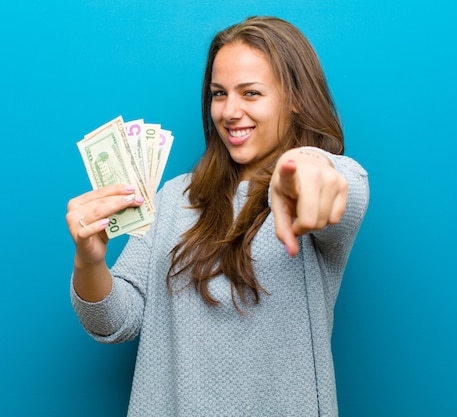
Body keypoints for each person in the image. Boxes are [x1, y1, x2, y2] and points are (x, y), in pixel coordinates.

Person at [66, 16, 369, 417]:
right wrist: (88, 260)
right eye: (219, 93)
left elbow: (340, 187)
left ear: (295, 99)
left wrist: (306, 164)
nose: (229, 111)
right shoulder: (174, 197)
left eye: (251, 93)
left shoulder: (318, 185)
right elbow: (114, 322)